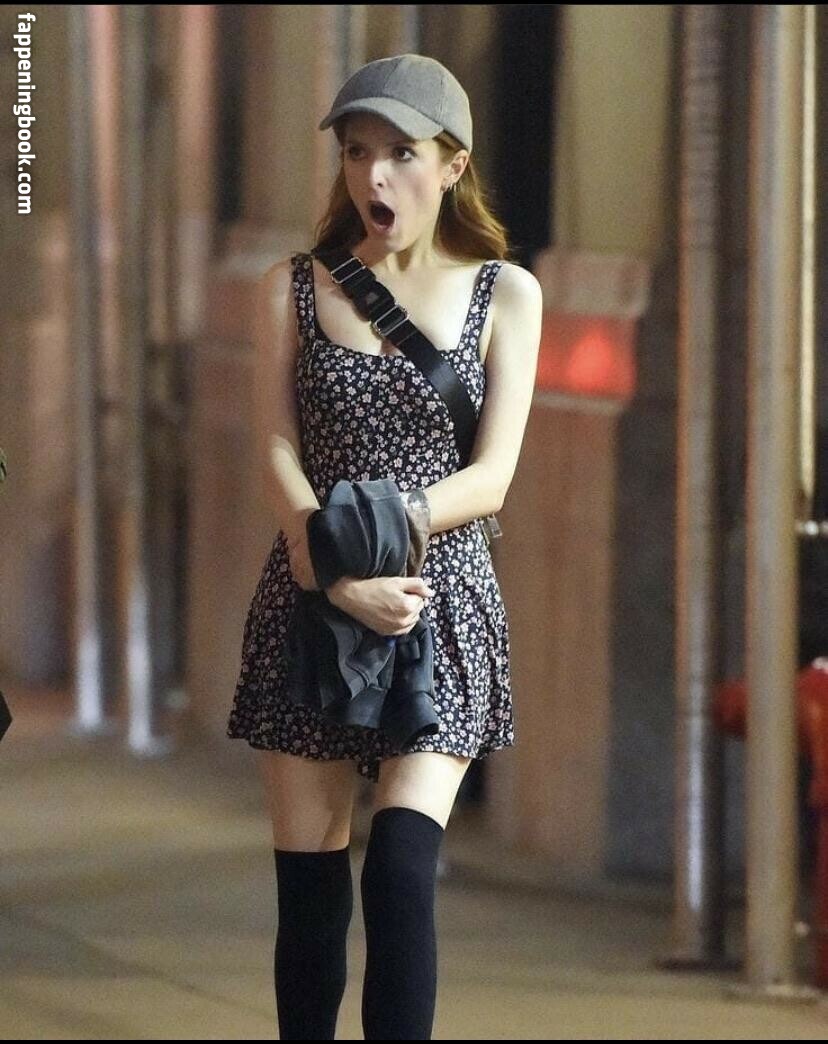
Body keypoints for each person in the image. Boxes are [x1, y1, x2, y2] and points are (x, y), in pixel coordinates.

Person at [226, 52, 543, 1039]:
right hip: (310, 601)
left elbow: (491, 479)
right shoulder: (292, 287)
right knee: (312, 894)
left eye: (401, 153)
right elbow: (275, 446)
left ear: (452, 165)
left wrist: (376, 547)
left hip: (439, 605)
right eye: (357, 152)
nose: (375, 175)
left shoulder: (506, 293)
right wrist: (332, 570)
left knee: (401, 872)